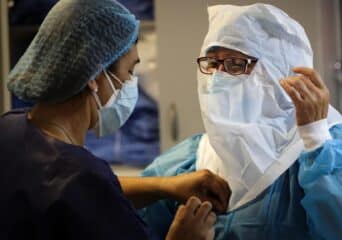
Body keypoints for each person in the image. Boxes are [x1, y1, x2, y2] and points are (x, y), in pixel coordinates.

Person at [138, 4, 342, 240]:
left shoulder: (327, 152)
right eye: (212, 63)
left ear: (279, 71)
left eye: (236, 64)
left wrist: (315, 135)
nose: (217, 78)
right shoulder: (190, 161)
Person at [0, 0, 231, 239]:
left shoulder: (10, 127)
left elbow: (88, 193)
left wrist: (165, 187)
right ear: (94, 77)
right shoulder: (79, 174)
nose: (130, 85)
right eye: (129, 72)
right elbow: (82, 188)